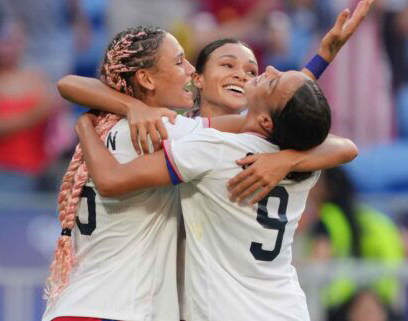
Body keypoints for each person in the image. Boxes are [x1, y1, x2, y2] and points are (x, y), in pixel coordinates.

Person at [43, 14, 366, 320]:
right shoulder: (187, 134)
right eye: (226, 64)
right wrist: (291, 155)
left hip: (170, 307)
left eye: (252, 72)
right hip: (259, 308)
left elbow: (286, 108)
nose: (247, 74)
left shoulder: (201, 144)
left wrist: (86, 122)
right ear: (197, 79)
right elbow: (307, 123)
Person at [74, 66, 338, 320]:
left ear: (266, 121)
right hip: (288, 309)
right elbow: (339, 143)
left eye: (272, 81)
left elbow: (111, 179)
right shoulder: (308, 161)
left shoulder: (216, 149)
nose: (268, 69)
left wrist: (86, 126)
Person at [0, 11, 60, 193]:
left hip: (39, 173)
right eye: (4, 41)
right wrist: (35, 114)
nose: (11, 47)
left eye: (17, 40)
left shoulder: (35, 77)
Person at [306, 167, 404, 321]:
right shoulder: (375, 218)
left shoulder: (328, 218)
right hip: (384, 302)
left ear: (325, 188)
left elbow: (318, 261)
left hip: (343, 305)